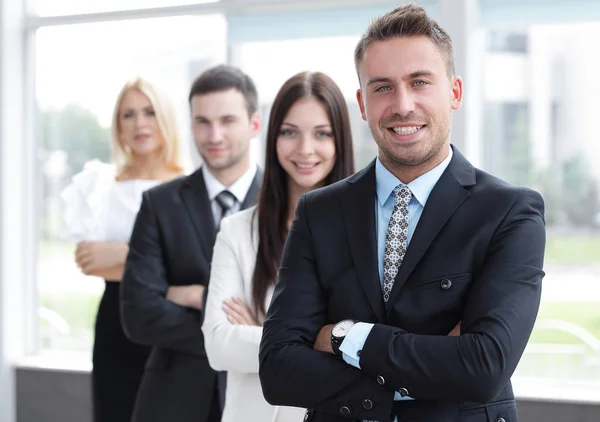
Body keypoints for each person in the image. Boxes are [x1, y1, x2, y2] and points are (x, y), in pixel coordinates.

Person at [259, 4, 546, 422]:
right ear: (361, 103)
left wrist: (345, 337)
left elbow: (484, 367)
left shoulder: (509, 212)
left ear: (454, 92)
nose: (402, 104)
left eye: (419, 82)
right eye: (382, 88)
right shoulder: (319, 212)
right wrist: (433, 367)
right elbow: (279, 371)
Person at [202, 71, 355, 422]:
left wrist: (267, 331)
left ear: (340, 142)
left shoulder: (366, 233)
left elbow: (367, 348)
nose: (304, 149)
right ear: (272, 139)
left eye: (322, 133)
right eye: (289, 132)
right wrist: (314, 340)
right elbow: (219, 346)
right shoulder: (237, 231)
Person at [120, 64, 262, 422]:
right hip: (173, 401)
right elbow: (139, 314)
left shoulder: (289, 204)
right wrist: (233, 335)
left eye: (227, 120)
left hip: (261, 396)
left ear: (254, 124)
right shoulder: (159, 204)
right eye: (202, 121)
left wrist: (183, 297)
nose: (214, 135)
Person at [60, 77, 184, 422]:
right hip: (116, 321)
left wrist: (121, 253)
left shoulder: (187, 183)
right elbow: (90, 261)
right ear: (117, 124)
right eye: (128, 114)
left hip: (172, 321)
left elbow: (193, 262)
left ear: (166, 118)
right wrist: (152, 257)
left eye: (149, 112)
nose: (139, 123)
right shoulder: (101, 184)